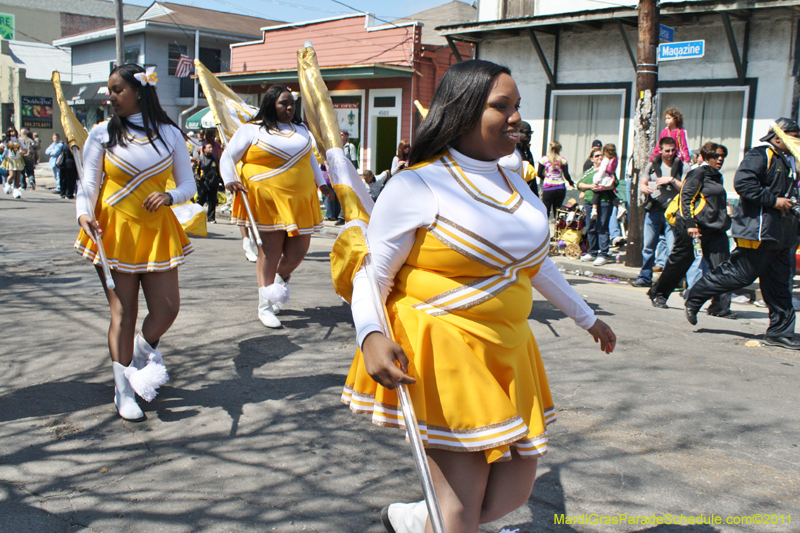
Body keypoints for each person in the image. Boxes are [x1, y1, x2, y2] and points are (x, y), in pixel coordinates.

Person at [340, 60, 616, 533]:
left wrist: (587, 317)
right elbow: (372, 274)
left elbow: (535, 264)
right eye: (501, 106)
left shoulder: (516, 182)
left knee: (513, 491)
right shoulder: (415, 184)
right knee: (459, 509)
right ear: (464, 110)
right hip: (443, 347)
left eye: (517, 106)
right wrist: (369, 335)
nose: (516, 118)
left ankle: (415, 520)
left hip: (509, 347)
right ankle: (432, 520)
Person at [75, 64, 196, 422]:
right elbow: (88, 185)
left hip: (157, 231)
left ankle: (141, 354)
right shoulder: (101, 133)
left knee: (167, 309)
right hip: (114, 231)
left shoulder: (169, 134)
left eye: (117, 90)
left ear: (139, 91)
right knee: (123, 313)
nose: (110, 96)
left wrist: (170, 196)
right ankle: (124, 389)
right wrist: (83, 214)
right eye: (109, 90)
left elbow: (187, 185)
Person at [221, 85, 334, 328]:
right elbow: (227, 158)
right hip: (267, 199)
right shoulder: (252, 130)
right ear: (271, 103)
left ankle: (278, 283)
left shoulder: (301, 130)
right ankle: (265, 306)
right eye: (284, 103)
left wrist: (323, 184)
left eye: (292, 103)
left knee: (298, 252)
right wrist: (229, 179)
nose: (289, 107)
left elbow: (310, 158)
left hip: (300, 199)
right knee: (270, 253)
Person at [685, 119, 800, 348]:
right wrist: (774, 201)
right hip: (758, 231)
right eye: (795, 136)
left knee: (779, 284)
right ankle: (696, 294)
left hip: (782, 234)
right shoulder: (761, 154)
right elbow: (744, 183)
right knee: (740, 275)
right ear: (779, 137)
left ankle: (779, 332)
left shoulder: (790, 161)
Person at [647, 142, 734, 316]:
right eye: (716, 156)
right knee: (679, 263)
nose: (720, 159)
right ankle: (659, 293)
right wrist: (690, 224)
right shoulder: (698, 172)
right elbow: (686, 198)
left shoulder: (717, 176)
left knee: (722, 267)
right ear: (707, 157)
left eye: (723, 156)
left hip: (715, 229)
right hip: (695, 227)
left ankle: (720, 307)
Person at [631, 137, 684, 287]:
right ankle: (645, 277)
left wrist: (671, 180)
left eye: (673, 150)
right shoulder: (652, 165)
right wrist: (644, 188)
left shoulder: (682, 166)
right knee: (648, 246)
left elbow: (686, 188)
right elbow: (642, 183)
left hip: (672, 212)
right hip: (654, 210)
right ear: (660, 150)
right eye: (667, 150)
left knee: (672, 248)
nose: (671, 153)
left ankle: (672, 281)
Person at [577, 147, 618, 266]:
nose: (600, 158)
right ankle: (592, 252)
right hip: (589, 202)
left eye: (601, 155)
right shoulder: (589, 172)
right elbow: (579, 184)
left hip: (604, 201)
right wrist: (590, 186)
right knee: (591, 227)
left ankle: (603, 254)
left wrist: (601, 187)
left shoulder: (608, 170)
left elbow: (614, 184)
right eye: (597, 156)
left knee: (602, 228)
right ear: (591, 159)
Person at [537, 141, 574, 220]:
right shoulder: (563, 160)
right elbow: (566, 175)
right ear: (559, 149)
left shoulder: (544, 159)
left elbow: (539, 173)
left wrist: (546, 178)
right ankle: (557, 226)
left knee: (546, 210)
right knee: (557, 211)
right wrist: (571, 183)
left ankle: (545, 226)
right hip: (560, 187)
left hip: (548, 188)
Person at [590, 144, 618, 219]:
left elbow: (602, 170)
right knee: (611, 194)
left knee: (596, 193)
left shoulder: (606, 160)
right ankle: (620, 206)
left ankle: (594, 210)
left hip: (603, 179)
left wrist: (597, 181)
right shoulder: (614, 159)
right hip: (610, 178)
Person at [195, 142, 221, 223]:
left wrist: (220, 180)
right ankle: (196, 216)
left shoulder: (215, 159)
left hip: (213, 183)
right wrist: (197, 177)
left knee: (212, 201)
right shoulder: (200, 159)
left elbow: (218, 171)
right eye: (209, 147)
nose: (211, 149)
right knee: (201, 200)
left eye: (211, 147)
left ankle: (211, 218)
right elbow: (195, 170)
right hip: (203, 183)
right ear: (204, 149)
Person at [1, 127, 27, 198]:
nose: (13, 132)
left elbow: (25, 148)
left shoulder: (19, 140)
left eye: (14, 131)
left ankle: (16, 190)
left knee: (18, 176)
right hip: (10, 159)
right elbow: (1, 147)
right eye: (11, 131)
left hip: (18, 159)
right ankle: (7, 184)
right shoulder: (7, 141)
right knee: (12, 175)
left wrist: (22, 152)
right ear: (9, 133)